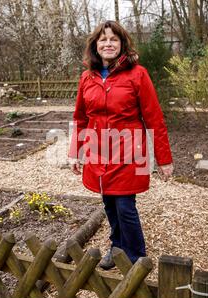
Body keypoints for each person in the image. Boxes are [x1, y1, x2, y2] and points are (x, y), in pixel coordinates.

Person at [69, 20, 173, 270]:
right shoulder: (87, 78)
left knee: (125, 206)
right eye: (103, 39)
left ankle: (136, 257)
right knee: (109, 204)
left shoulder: (138, 74)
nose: (108, 43)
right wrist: (75, 152)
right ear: (95, 45)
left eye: (113, 39)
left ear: (122, 44)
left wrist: (164, 159)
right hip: (98, 152)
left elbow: (154, 118)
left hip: (129, 151)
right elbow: (80, 118)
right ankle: (116, 247)